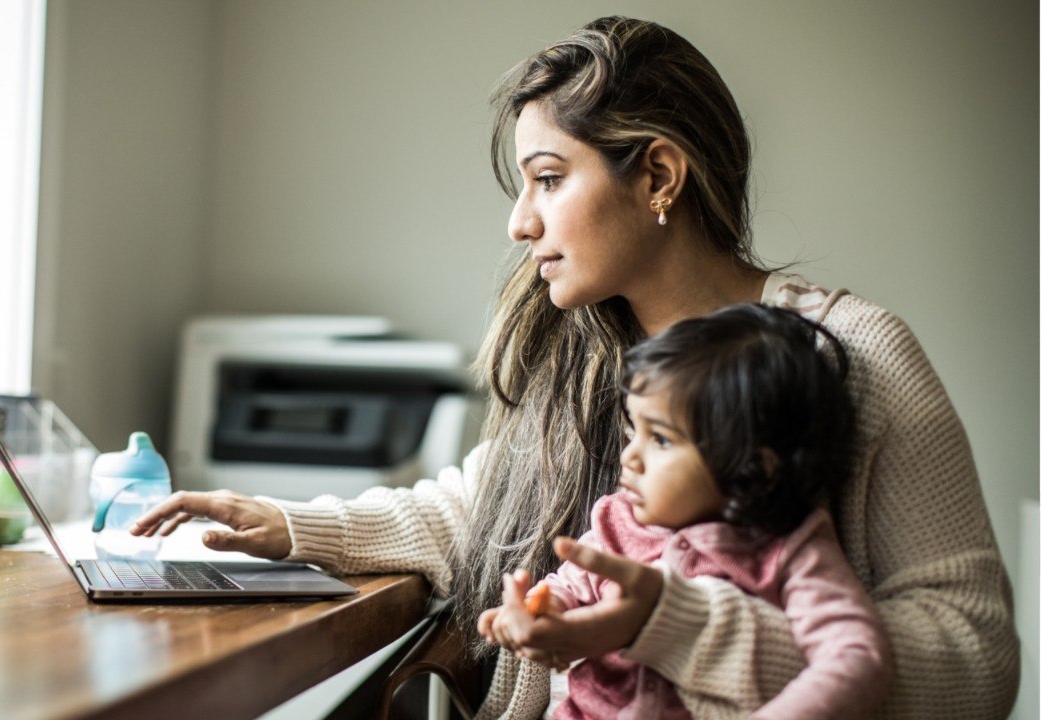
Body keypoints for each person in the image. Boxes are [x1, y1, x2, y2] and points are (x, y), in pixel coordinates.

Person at [132, 16, 1018, 719]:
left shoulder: (855, 355)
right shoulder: (581, 355)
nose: (520, 224)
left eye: (548, 178)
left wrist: (673, 630)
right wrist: (287, 527)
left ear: (660, 174)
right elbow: (479, 511)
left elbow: (974, 659)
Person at [478, 302, 893, 719]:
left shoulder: (793, 549)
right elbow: (565, 589)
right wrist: (538, 613)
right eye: (631, 431)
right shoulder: (617, 523)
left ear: (755, 467)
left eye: (659, 439)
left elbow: (856, 658)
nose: (629, 457)